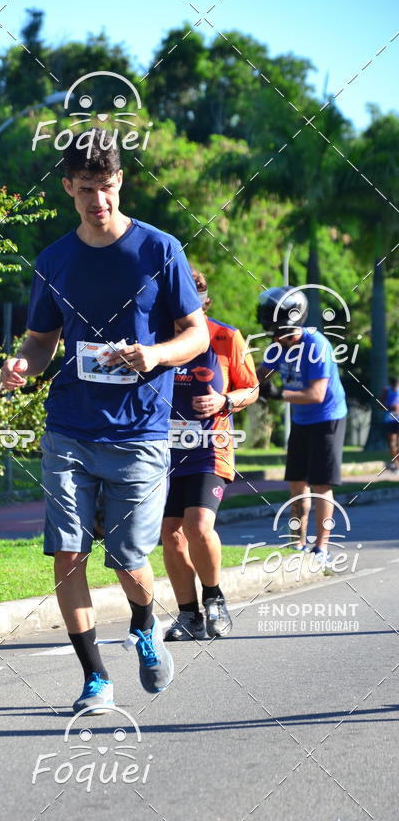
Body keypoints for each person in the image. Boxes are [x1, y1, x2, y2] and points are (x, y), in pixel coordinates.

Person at [0, 131, 208, 714]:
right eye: (88, 190)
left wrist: (157, 355)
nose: (100, 202)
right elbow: (41, 342)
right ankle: (94, 677)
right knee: (68, 552)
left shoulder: (160, 251)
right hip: (69, 425)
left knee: (128, 559)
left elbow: (195, 334)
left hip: (139, 432)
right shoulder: (54, 261)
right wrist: (24, 365)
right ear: (69, 187)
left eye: (109, 188)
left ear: (122, 184)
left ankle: (144, 623)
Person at [161, 272, 258, 641]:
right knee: (170, 534)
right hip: (163, 451)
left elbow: (252, 388)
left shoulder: (226, 337)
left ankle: (214, 599)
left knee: (198, 526)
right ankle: (189, 616)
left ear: (205, 301)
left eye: (195, 299)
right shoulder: (157, 339)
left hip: (209, 449)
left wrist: (225, 400)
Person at [256, 286, 347, 565]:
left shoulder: (316, 345)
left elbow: (316, 394)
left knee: (321, 484)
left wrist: (276, 394)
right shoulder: (279, 345)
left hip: (327, 419)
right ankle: (299, 542)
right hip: (301, 419)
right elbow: (258, 376)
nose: (275, 336)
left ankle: (322, 548)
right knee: (297, 483)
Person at [381, 377, 399, 471]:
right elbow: (380, 405)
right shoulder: (386, 391)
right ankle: (396, 464)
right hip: (390, 419)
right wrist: (391, 407)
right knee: (392, 443)